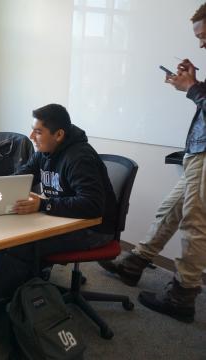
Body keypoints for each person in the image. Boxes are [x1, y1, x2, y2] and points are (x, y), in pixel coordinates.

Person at [0, 104, 117, 331]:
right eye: (33, 129)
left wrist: (44, 204)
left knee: (17, 245)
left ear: (59, 134)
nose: (32, 137)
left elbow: (93, 206)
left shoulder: (79, 157)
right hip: (65, 219)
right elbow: (20, 176)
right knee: (7, 236)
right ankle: (8, 296)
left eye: (38, 131)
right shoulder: (45, 153)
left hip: (94, 229)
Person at [99, 3, 206, 324]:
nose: (201, 44)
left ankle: (182, 295)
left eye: (204, 36)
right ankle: (134, 264)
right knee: (171, 210)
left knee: (194, 224)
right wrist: (194, 83)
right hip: (197, 151)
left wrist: (192, 87)